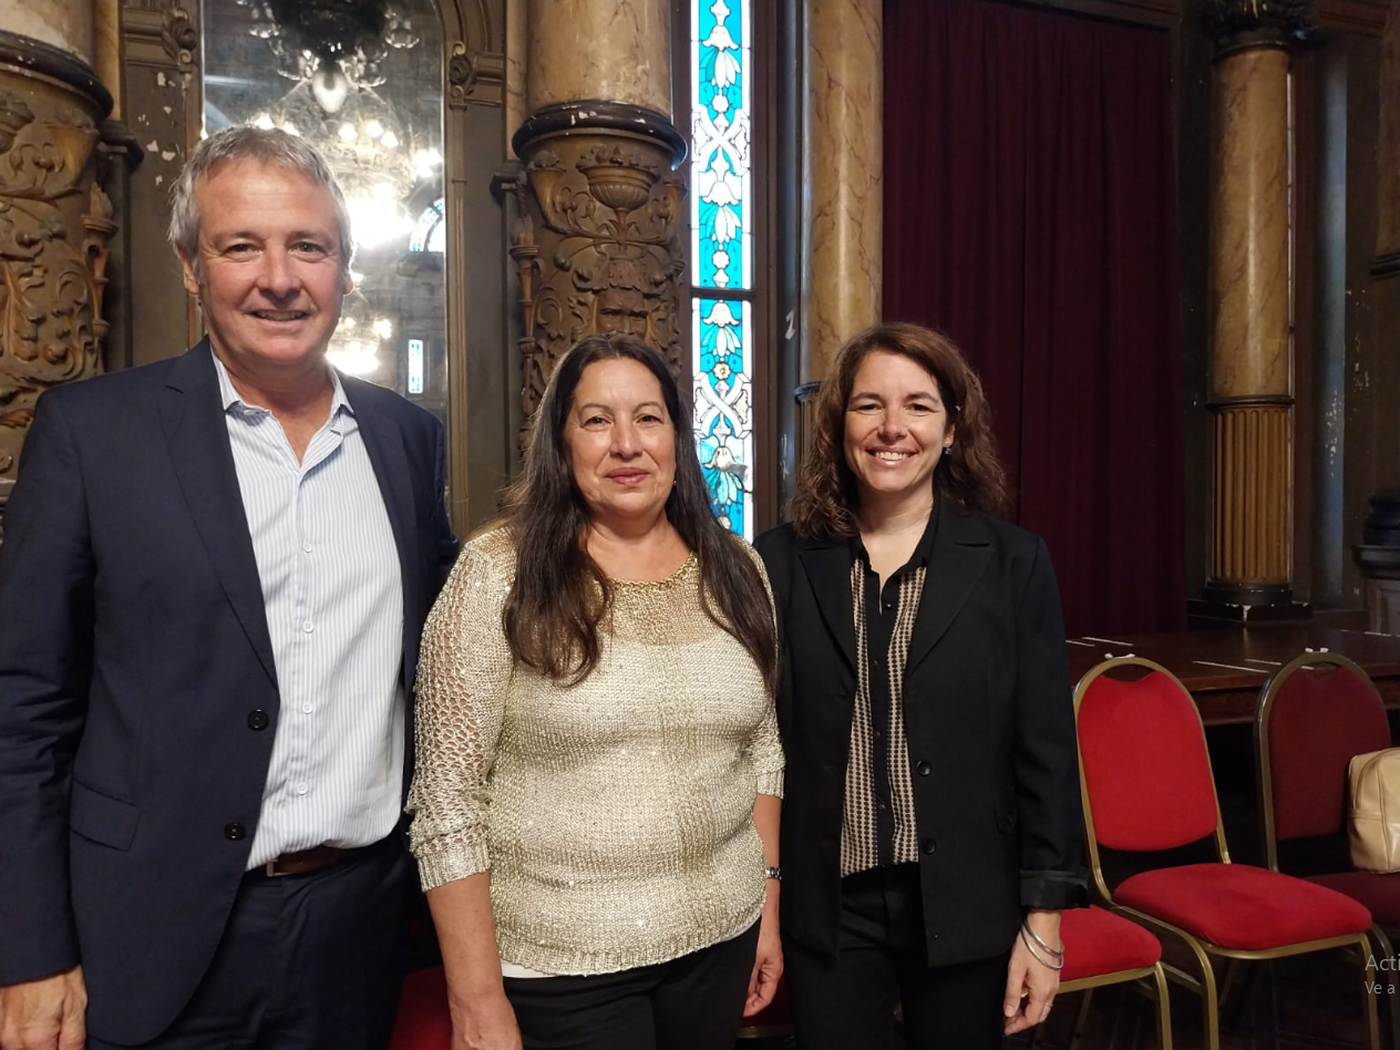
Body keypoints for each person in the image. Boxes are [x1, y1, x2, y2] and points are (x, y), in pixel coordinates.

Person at [0, 125, 458, 1050]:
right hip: (145, 932)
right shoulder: (94, 434)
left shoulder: (407, 440)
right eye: (241, 245)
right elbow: (23, 710)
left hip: (357, 928)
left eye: (308, 247)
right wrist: (29, 950)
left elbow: (445, 661)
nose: (279, 277)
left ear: (344, 268)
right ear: (190, 264)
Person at [407, 332, 783, 1050]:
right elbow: (446, 802)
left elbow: (762, 749)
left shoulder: (738, 568)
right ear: (561, 441)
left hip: (721, 938)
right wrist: (476, 998)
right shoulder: (497, 574)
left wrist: (766, 901)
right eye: (596, 420)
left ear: (678, 435)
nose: (626, 444)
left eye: (648, 417)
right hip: (561, 965)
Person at [755, 322, 1087, 1050]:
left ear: (952, 428)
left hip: (968, 900)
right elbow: (758, 752)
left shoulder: (1012, 563)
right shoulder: (777, 563)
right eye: (869, 405)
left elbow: (1047, 757)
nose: (892, 428)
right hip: (829, 909)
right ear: (839, 422)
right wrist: (766, 907)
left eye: (918, 406)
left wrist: (1044, 921)